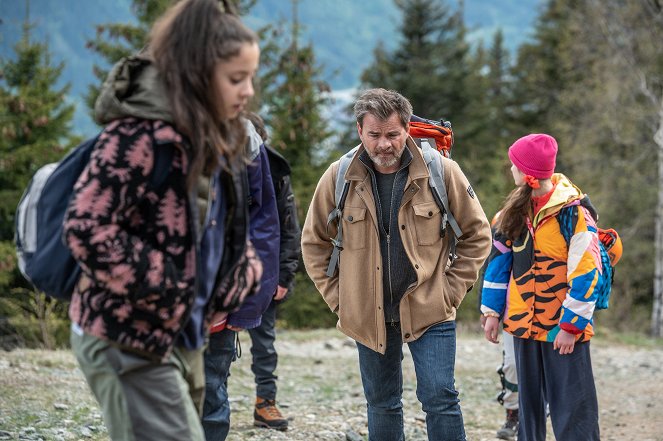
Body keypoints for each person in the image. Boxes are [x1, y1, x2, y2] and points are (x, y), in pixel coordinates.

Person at [63, 1, 261, 440]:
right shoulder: (138, 137)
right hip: (125, 338)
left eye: (251, 77)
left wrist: (243, 268)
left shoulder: (212, 136)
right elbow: (86, 227)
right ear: (196, 74)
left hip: (181, 335)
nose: (247, 91)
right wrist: (171, 285)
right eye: (235, 79)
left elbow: (212, 227)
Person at [301, 88, 492, 441]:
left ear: (407, 129)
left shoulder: (442, 172)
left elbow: (478, 235)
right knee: (382, 403)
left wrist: (449, 291)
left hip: (430, 310)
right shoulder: (338, 176)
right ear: (360, 131)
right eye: (374, 135)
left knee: (440, 398)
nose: (384, 144)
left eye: (392, 134)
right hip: (367, 314)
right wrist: (341, 299)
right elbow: (313, 243)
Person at [481, 134, 601, 441]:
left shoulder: (574, 215)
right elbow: (497, 265)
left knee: (573, 412)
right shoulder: (510, 214)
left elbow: (587, 274)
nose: (510, 169)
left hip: (562, 330)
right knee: (528, 413)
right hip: (521, 325)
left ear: (527, 176)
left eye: (514, 165)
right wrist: (492, 312)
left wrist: (571, 327)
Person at [201, 115, 281, 439]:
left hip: (218, 305)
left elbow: (265, 226)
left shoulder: (244, 138)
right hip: (154, 307)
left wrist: (248, 304)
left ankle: (267, 398)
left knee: (211, 395)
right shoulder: (148, 122)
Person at [246, 113, 301, 431]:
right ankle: (210, 405)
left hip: (265, 277)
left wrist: (283, 277)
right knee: (214, 348)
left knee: (264, 345)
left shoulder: (276, 174)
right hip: (222, 276)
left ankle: (265, 403)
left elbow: (289, 228)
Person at [477, 212, 519, 440]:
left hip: (547, 312)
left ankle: (534, 417)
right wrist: (489, 311)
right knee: (511, 366)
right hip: (515, 312)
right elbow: (492, 269)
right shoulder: (505, 222)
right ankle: (512, 413)